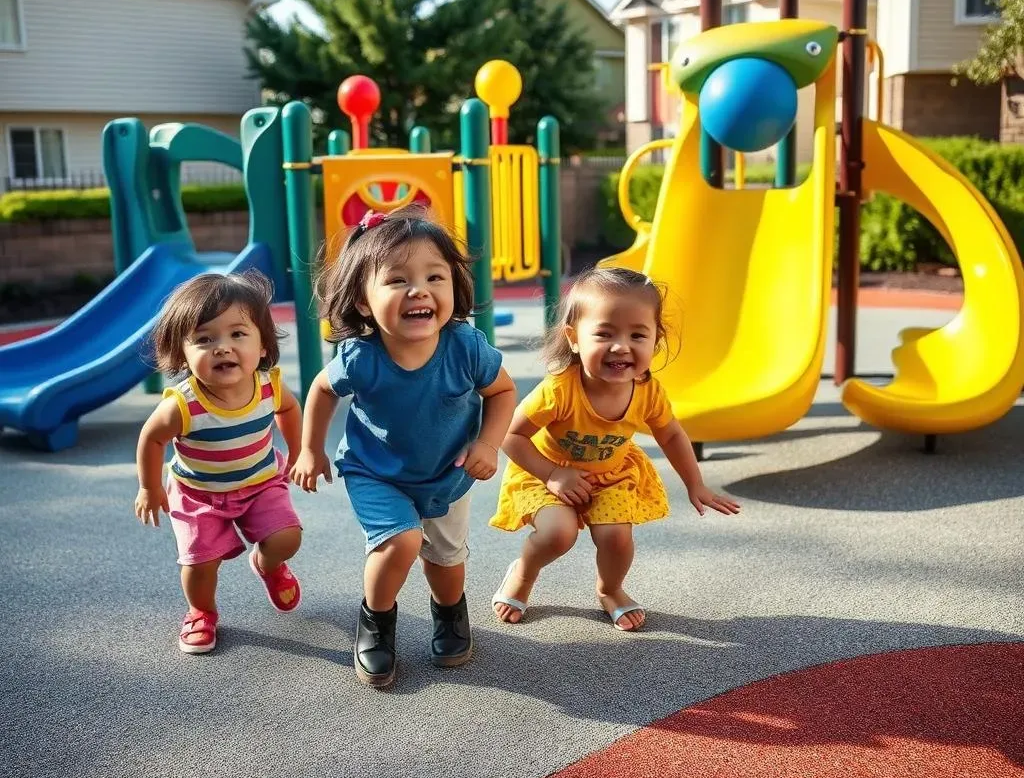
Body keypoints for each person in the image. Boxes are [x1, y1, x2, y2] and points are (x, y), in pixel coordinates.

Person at [291, 208, 517, 687]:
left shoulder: (466, 347)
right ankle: (376, 620)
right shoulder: (362, 355)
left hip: (447, 474)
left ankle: (450, 614)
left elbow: (501, 392)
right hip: (376, 473)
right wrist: (310, 449)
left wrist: (488, 443)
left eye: (435, 276)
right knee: (401, 540)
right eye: (397, 280)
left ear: (453, 286)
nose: (419, 290)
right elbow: (321, 390)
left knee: (446, 561)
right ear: (364, 301)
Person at [490, 266, 740, 632]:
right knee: (559, 534)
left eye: (637, 335)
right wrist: (554, 474)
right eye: (604, 333)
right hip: (547, 472)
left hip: (611, 474)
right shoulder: (559, 389)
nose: (621, 346)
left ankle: (610, 589)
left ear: (655, 342)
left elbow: (670, 435)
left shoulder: (648, 391)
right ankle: (524, 573)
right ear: (574, 338)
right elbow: (511, 436)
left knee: (617, 538)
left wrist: (695, 483)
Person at [135, 270, 304, 654]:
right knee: (198, 565)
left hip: (260, 482)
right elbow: (152, 438)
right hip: (200, 495)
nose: (222, 347)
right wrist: (149, 487)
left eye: (237, 334)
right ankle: (201, 612)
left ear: (262, 345)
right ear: (183, 353)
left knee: (287, 537)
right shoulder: (182, 405)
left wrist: (298, 451)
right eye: (205, 339)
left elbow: (290, 409)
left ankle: (268, 563)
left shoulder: (269, 385)